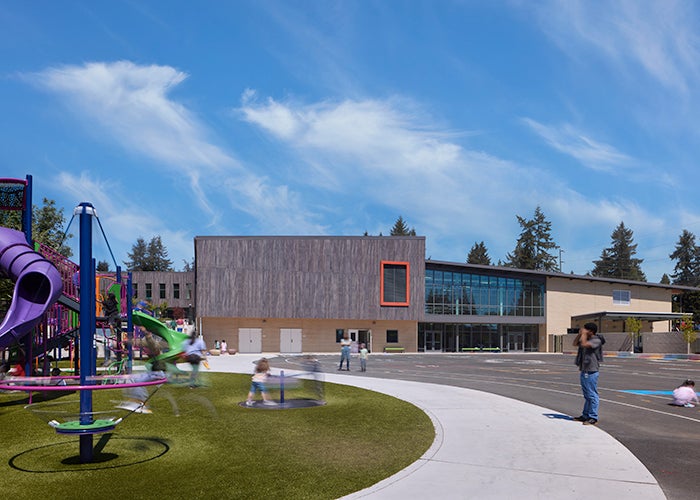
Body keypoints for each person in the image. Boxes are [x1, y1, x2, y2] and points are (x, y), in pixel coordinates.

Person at [573, 322, 603, 425]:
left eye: (586, 329)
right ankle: (585, 415)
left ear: (591, 331)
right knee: (587, 395)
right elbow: (575, 343)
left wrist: (584, 335)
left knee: (592, 394)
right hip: (584, 369)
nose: (584, 331)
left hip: (591, 370)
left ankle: (593, 417)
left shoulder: (596, 340)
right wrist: (579, 334)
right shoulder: (585, 338)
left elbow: (585, 344)